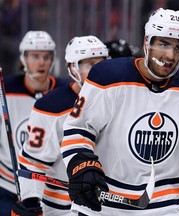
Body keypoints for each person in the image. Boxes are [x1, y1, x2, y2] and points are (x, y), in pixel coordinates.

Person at [60, 8, 179, 216]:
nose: (170, 55)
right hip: (101, 206)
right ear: (147, 41)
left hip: (162, 208)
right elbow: (79, 129)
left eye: (178, 47)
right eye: (163, 44)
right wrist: (81, 163)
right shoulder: (108, 76)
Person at [10, 36, 109, 216]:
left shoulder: (118, 99)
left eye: (101, 64)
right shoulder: (52, 106)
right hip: (62, 208)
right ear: (72, 68)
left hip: (110, 206)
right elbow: (33, 164)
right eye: (89, 64)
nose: (97, 71)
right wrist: (30, 202)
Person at [0, 30, 68, 216]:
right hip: (6, 186)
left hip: (47, 187)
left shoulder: (65, 91)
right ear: (23, 59)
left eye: (47, 57)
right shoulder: (5, 89)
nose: (41, 62)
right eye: (35, 56)